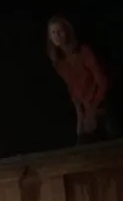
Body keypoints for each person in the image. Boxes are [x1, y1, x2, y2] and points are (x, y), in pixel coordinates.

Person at [47, 16, 117, 144]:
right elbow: (73, 88)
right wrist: (80, 115)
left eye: (59, 31)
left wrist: (92, 110)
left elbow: (102, 82)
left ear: (67, 32)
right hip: (86, 109)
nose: (57, 36)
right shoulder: (59, 63)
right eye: (53, 33)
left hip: (101, 105)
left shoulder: (84, 52)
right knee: (82, 144)